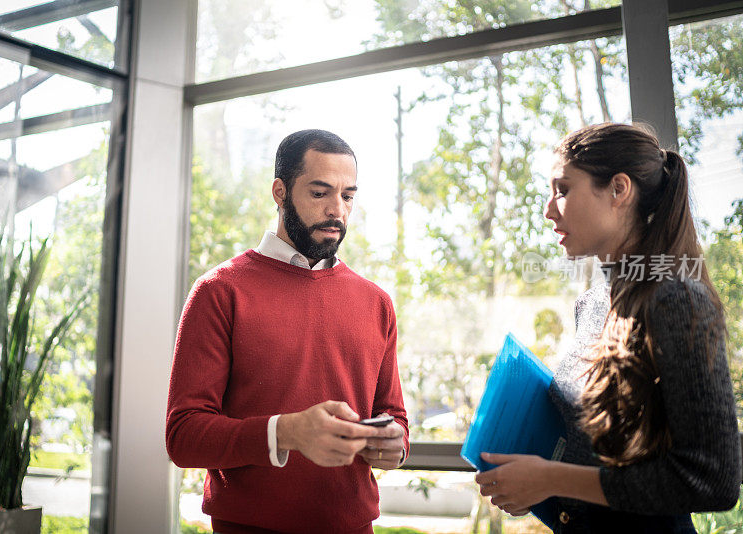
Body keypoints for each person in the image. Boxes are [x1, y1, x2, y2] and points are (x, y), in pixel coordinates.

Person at [474, 123, 742, 533]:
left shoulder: (677, 298)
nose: (549, 209)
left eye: (562, 190)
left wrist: (549, 478)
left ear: (619, 189)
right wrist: (534, 487)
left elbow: (714, 481)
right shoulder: (593, 300)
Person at [166, 129, 409, 534]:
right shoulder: (219, 292)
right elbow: (184, 435)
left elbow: (394, 417)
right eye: (320, 193)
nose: (337, 210)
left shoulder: (376, 302)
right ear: (280, 192)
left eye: (347, 196)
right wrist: (287, 432)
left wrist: (393, 446)